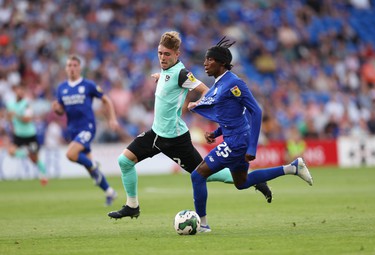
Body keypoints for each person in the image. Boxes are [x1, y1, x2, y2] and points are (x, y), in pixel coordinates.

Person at [107, 31, 272, 220]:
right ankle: (132, 206)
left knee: (205, 174)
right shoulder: (166, 71)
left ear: (177, 55)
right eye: (160, 53)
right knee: (124, 161)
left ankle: (254, 181)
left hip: (175, 139)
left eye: (167, 54)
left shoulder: (182, 74)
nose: (162, 57)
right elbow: (169, 81)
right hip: (156, 135)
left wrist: (198, 104)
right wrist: (160, 77)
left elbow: (206, 90)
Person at [189, 37, 313, 232]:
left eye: (209, 60)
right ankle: (292, 168)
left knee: (198, 175)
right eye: (205, 59)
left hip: (238, 142)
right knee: (242, 182)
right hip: (234, 138)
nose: (205, 63)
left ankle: (203, 225)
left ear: (221, 63)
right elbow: (234, 117)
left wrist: (252, 147)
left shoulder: (234, 83)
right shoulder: (220, 84)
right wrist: (216, 132)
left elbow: (256, 111)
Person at [52, 55, 119, 206]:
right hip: (73, 130)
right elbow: (62, 110)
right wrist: (57, 110)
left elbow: (106, 99)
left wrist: (112, 119)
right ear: (66, 68)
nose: (72, 68)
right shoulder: (61, 88)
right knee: (89, 168)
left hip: (87, 127)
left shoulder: (88, 85)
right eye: (69, 65)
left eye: (75, 65)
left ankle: (94, 165)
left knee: (71, 154)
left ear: (80, 68)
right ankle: (109, 192)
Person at [5, 84, 48, 185]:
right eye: (19, 90)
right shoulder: (10, 104)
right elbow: (9, 118)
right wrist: (9, 117)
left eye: (22, 91)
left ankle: (44, 175)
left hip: (30, 135)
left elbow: (27, 120)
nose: (20, 93)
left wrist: (15, 115)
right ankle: (26, 152)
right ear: (15, 91)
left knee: (35, 159)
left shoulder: (27, 104)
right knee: (11, 152)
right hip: (19, 135)